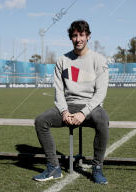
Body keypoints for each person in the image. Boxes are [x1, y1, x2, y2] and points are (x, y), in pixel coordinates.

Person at [33, 20, 109, 184]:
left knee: (103, 118)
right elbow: (58, 91)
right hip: (67, 106)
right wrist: (64, 111)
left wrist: (83, 113)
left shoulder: (99, 60)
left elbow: (101, 93)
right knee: (41, 121)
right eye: (75, 35)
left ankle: (97, 168)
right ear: (71, 38)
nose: (78, 39)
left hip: (91, 107)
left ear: (88, 36)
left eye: (82, 35)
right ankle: (54, 167)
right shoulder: (62, 60)